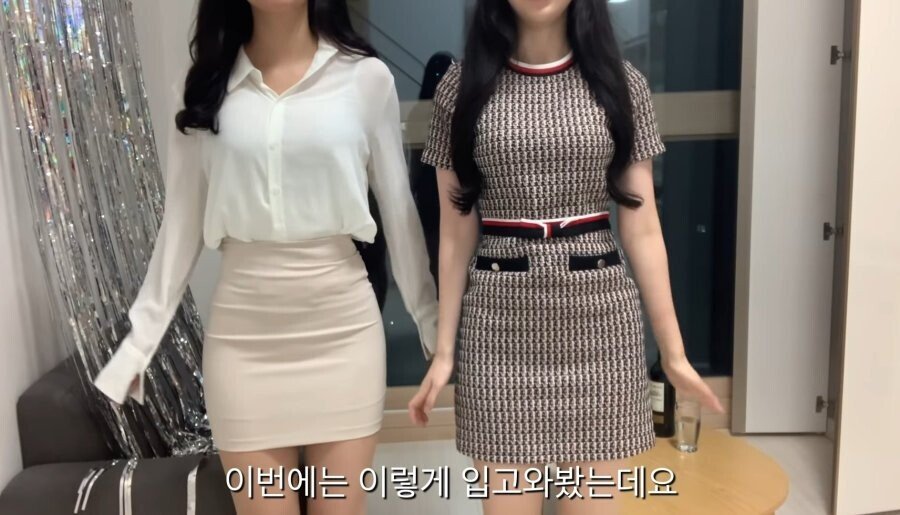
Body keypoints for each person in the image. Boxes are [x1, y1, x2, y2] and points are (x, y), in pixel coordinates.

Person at [92, 1, 438, 514]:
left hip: (342, 336)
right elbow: (180, 224)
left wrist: (433, 326)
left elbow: (399, 213)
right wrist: (138, 344)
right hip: (243, 345)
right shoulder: (203, 86)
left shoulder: (365, 79)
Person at [409, 1, 725, 514]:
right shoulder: (461, 89)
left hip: (600, 322)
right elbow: (454, 232)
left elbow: (643, 227)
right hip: (498, 325)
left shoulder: (622, 83)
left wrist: (674, 354)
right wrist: (444, 352)